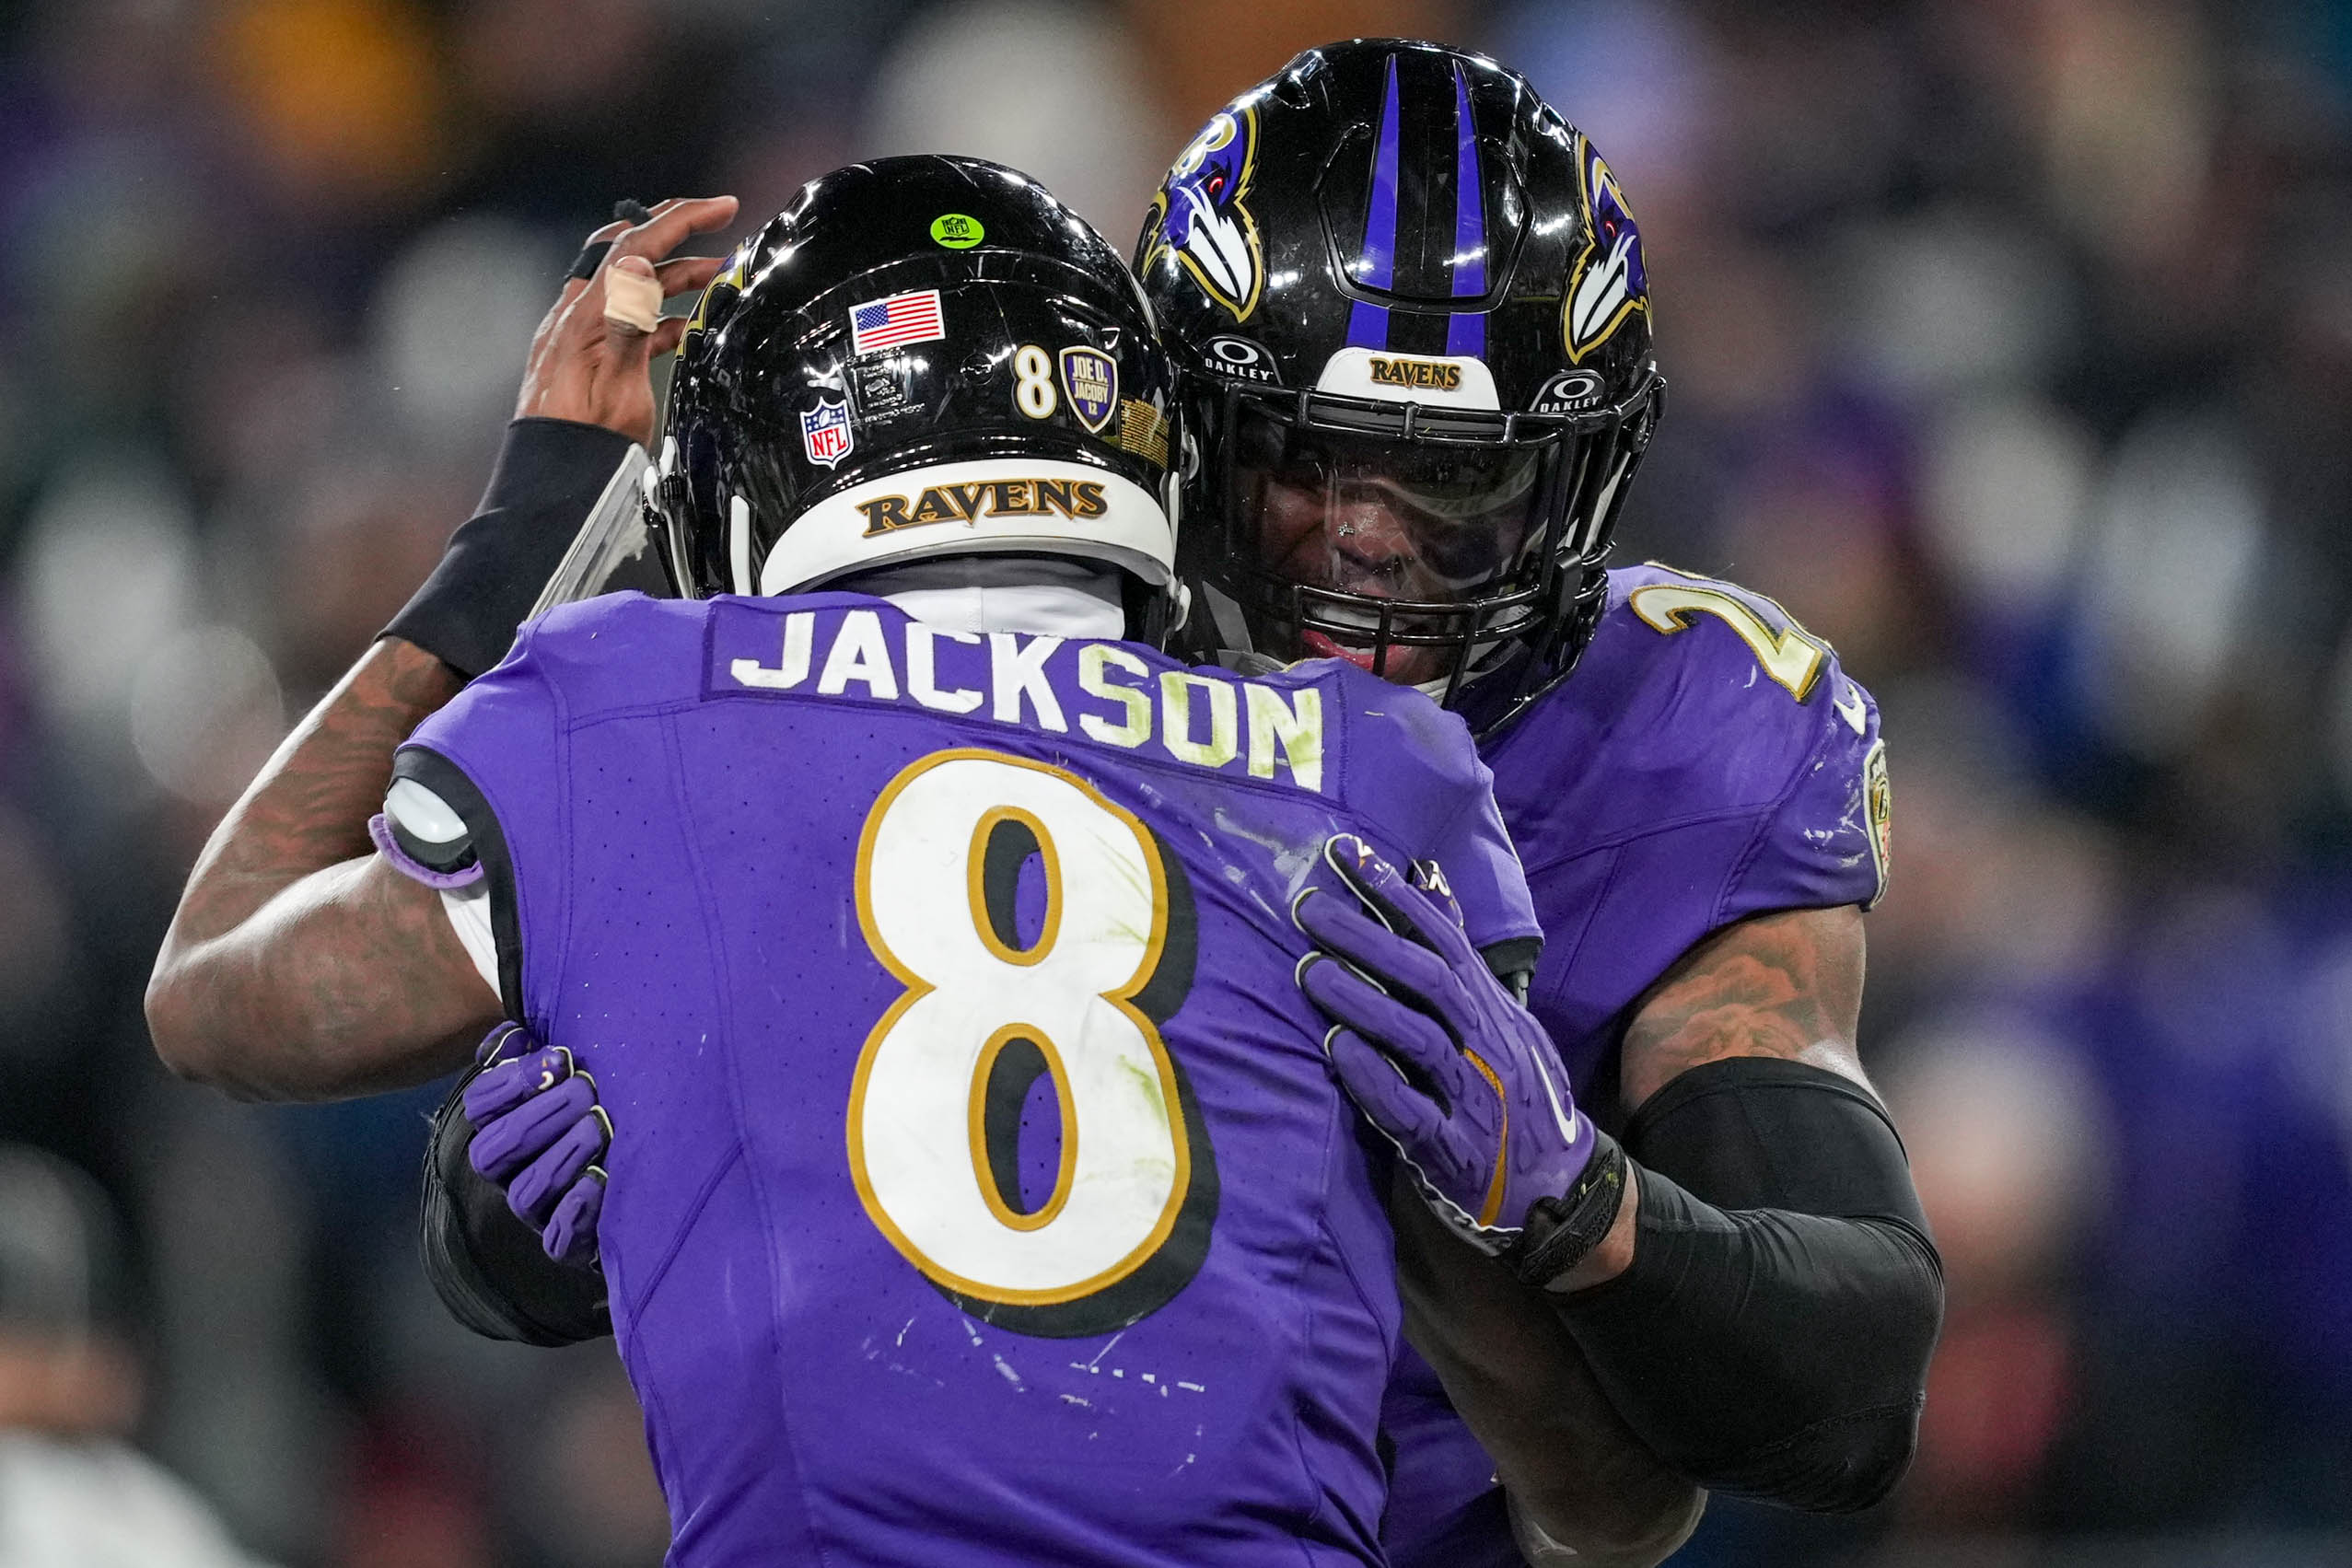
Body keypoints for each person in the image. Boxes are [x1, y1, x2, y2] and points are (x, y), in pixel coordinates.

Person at [422, 39, 1945, 1568]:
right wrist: (516, 1203)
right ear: (1175, 429)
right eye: (1301, 461)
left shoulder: (1684, 727)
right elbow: (498, 1170)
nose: (1365, 546)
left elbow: (1843, 1392)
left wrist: (1576, 1199)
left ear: (1580, 483)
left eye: (1457, 490)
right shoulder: (986, 624)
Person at [146, 155, 1697, 1566]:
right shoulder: (1371, 764)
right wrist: (1563, 1211)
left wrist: (532, 517)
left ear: (751, 485)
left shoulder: (618, 706)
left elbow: (211, 993)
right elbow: (1613, 1508)